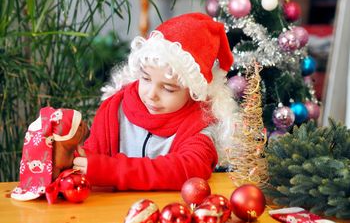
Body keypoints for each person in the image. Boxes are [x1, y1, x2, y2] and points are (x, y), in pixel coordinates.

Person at [73, 13, 239, 190]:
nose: (152, 94)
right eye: (145, 78)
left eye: (168, 88)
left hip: (169, 213)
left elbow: (189, 169)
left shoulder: (200, 125)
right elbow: (89, 158)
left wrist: (112, 170)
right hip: (110, 213)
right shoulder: (115, 108)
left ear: (193, 92)